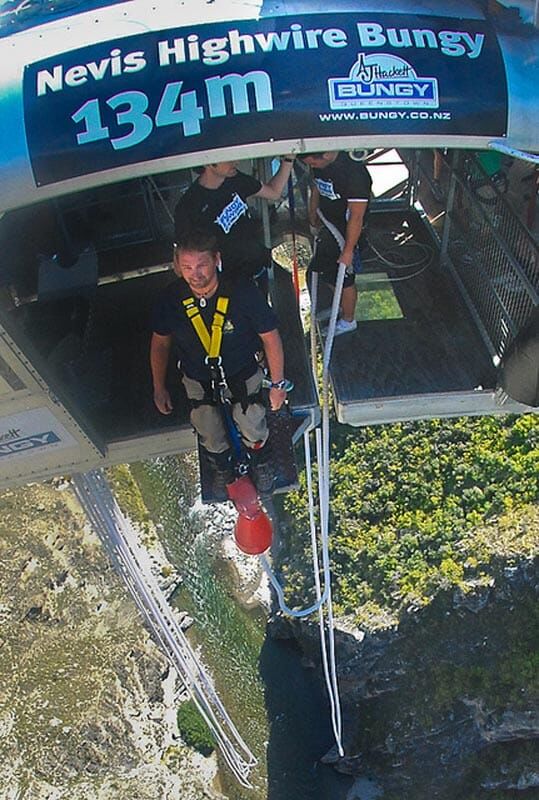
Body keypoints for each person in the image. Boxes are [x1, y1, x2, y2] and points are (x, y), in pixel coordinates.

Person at [150, 227, 287, 494]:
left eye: (202, 265)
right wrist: (159, 387)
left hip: (241, 368)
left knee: (251, 419)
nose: (195, 273)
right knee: (208, 427)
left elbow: (271, 337)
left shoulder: (242, 292)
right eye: (187, 266)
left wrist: (278, 384)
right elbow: (160, 344)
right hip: (197, 374)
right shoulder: (171, 299)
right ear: (178, 265)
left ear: (216, 260)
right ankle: (222, 465)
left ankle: (260, 459)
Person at [174, 157, 296, 293]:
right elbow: (181, 260)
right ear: (208, 162)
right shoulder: (189, 206)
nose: (236, 162)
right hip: (229, 282)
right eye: (228, 158)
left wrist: (288, 160)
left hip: (256, 265)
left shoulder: (236, 179)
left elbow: (273, 192)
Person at [298, 150, 372, 336]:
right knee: (325, 271)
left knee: (344, 278)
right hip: (329, 227)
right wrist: (313, 214)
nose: (312, 167)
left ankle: (349, 319)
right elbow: (316, 188)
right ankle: (341, 305)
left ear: (327, 155)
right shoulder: (320, 166)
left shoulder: (354, 174)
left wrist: (348, 250)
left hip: (346, 232)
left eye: (313, 163)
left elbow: (356, 216)